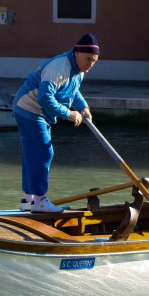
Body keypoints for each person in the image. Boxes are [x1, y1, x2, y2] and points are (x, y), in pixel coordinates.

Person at [12, 32, 99, 213]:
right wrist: (69, 114)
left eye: (94, 61)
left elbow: (73, 92)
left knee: (33, 153)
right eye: (88, 59)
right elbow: (45, 98)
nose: (90, 65)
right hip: (30, 109)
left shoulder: (79, 70)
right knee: (44, 152)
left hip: (37, 111)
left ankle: (28, 199)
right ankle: (39, 200)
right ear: (77, 53)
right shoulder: (59, 68)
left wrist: (83, 108)